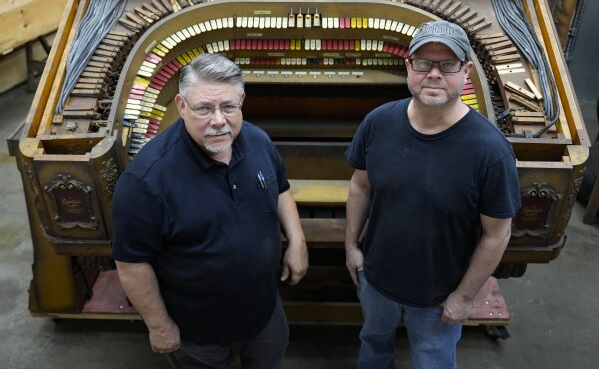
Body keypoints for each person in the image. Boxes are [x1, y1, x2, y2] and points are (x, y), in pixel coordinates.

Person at [111, 53, 309, 369]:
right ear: (181, 105)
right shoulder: (145, 181)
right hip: (196, 328)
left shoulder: (257, 140)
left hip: (263, 306)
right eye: (204, 108)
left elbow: (281, 190)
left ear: (241, 100)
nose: (219, 120)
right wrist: (160, 325)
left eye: (229, 107)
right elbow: (132, 263)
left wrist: (297, 241)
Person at [344, 20, 521, 369]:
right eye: (424, 63)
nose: (434, 74)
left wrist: (464, 297)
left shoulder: (490, 151)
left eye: (447, 64)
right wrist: (351, 246)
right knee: (373, 346)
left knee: (433, 361)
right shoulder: (378, 122)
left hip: (438, 298)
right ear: (409, 66)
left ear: (465, 70)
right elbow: (360, 185)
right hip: (376, 279)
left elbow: (497, 233)